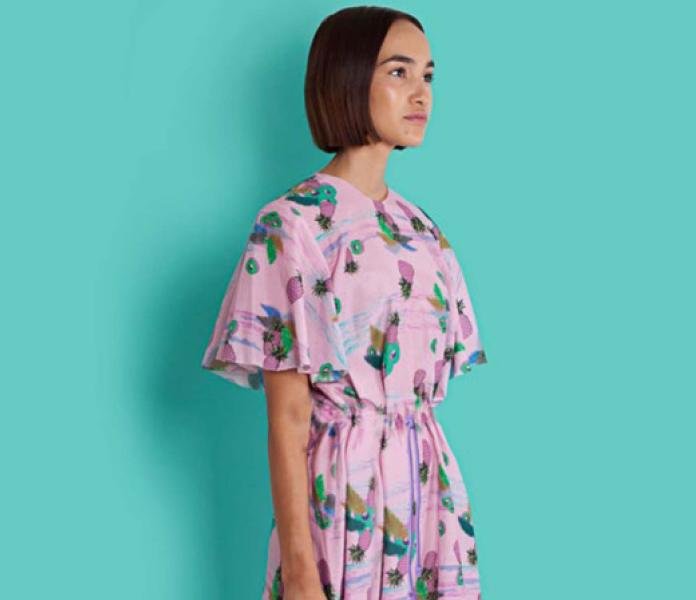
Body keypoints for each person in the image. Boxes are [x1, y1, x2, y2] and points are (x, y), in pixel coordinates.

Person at [201, 7, 488, 599]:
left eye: (428, 76)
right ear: (349, 79)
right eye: (399, 72)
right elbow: (287, 418)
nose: (421, 94)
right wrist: (300, 570)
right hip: (342, 502)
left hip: (427, 496)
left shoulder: (424, 232)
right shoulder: (291, 225)